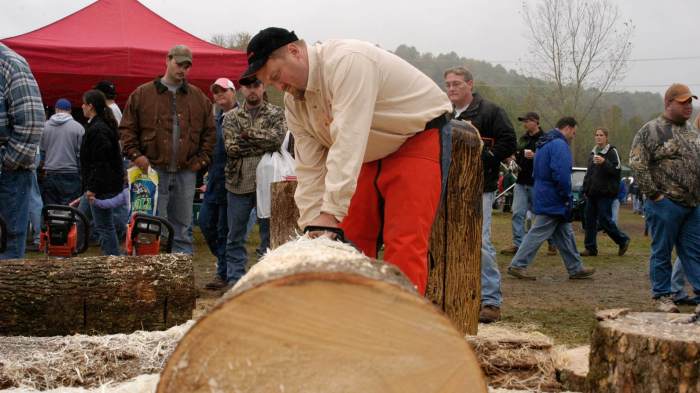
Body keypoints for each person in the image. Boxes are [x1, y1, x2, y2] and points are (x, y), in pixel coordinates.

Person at [242, 27, 452, 295]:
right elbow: (309, 166)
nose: (280, 87)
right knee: (351, 238)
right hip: (366, 151)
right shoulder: (294, 102)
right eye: (271, 84)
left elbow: (348, 138)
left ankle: (401, 328)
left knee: (404, 240)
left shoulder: (348, 61)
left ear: (294, 52)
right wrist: (313, 226)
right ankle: (353, 321)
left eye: (276, 76)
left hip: (414, 135)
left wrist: (330, 213)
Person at [120, 44, 216, 254]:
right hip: (151, 172)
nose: (183, 69)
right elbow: (126, 129)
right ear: (167, 59)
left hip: (186, 172)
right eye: (179, 63)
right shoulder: (142, 94)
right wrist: (137, 156)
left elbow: (211, 133)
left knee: (183, 229)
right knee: (150, 227)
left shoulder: (198, 97)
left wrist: (200, 161)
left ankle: (180, 279)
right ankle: (152, 280)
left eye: (187, 66)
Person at [444, 66, 516, 323]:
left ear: (470, 85)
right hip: (448, 189)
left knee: (481, 243)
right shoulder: (443, 112)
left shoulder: (490, 111)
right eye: (449, 84)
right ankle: (456, 293)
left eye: (457, 84)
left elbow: (510, 140)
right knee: (451, 241)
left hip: (479, 188)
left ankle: (491, 301)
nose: (452, 88)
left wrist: (489, 157)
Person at [629, 83, 700, 313]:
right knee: (662, 250)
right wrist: (655, 195)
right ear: (669, 103)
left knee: (693, 252)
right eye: (683, 102)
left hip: (692, 205)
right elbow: (637, 163)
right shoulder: (651, 130)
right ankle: (662, 296)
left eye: (690, 101)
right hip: (665, 204)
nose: (689, 106)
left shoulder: (691, 130)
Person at [507, 117, 596, 280]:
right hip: (554, 196)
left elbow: (537, 170)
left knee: (565, 232)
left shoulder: (543, 143)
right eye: (574, 133)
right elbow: (561, 174)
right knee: (538, 231)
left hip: (544, 191)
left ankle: (575, 267)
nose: (573, 136)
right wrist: (566, 195)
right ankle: (518, 264)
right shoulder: (559, 145)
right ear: (568, 128)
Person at [222, 76, 285, 287]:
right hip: (239, 182)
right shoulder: (231, 117)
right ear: (241, 89)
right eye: (248, 86)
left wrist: (246, 134)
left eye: (256, 85)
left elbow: (277, 141)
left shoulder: (276, 113)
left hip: (269, 183)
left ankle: (265, 281)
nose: (252, 90)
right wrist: (261, 141)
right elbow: (231, 148)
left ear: (262, 87)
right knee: (235, 235)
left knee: (269, 236)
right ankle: (235, 281)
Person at [0, 43, 45, 259]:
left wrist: (7, 164)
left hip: (9, 174)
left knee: (8, 241)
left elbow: (31, 124)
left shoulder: (9, 64)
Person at [500, 112, 556, 256]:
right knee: (517, 213)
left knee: (542, 214)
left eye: (527, 121)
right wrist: (511, 160)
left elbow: (551, 157)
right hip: (521, 182)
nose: (524, 123)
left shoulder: (546, 139)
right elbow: (515, 154)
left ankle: (552, 242)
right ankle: (518, 244)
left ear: (536, 122)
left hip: (538, 183)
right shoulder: (523, 139)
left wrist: (536, 156)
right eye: (523, 121)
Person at [200, 77, 237, 290]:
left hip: (234, 183)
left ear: (233, 92)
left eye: (223, 90)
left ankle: (224, 274)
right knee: (205, 223)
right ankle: (224, 265)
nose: (219, 95)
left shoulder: (242, 116)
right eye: (216, 92)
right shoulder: (214, 120)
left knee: (225, 230)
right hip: (214, 181)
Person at [79, 90, 125, 256]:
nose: (82, 106)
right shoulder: (100, 126)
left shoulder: (98, 129)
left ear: (90, 106)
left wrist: (92, 188)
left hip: (100, 186)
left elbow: (100, 163)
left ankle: (113, 258)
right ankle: (68, 253)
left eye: (84, 104)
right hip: (98, 184)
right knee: (80, 218)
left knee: (104, 225)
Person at [580, 127, 630, 257]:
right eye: (596, 135)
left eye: (601, 135)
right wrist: (584, 189)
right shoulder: (593, 153)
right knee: (589, 220)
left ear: (606, 137)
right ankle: (590, 248)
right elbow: (588, 173)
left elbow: (617, 170)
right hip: (592, 193)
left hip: (606, 193)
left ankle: (622, 240)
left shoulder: (612, 152)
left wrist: (604, 162)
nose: (598, 137)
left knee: (604, 220)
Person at [39, 98, 84, 205]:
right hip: (71, 173)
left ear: (56, 109)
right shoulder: (78, 128)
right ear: (70, 111)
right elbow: (81, 154)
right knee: (70, 209)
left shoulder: (45, 127)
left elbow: (41, 152)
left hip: (50, 172)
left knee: (51, 209)